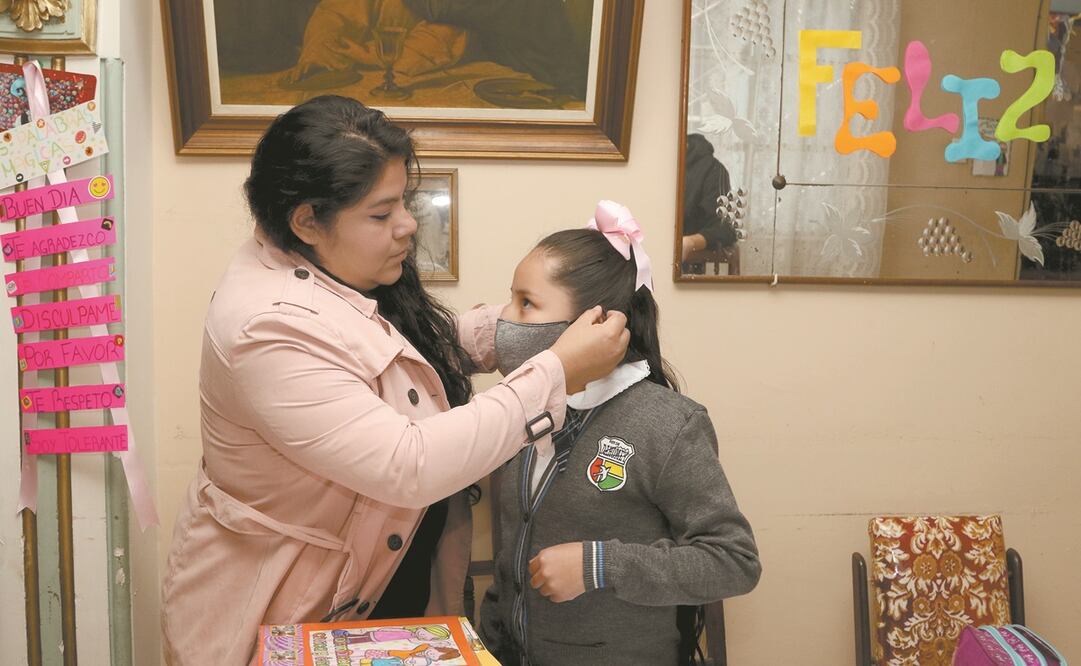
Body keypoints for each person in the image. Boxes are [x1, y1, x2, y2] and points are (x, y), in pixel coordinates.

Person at [159, 95, 629, 665]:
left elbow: (396, 356)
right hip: (289, 616)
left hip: (375, 597)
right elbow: (410, 464)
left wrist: (513, 331)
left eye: (403, 201)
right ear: (306, 220)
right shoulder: (269, 327)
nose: (408, 225)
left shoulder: (331, 271)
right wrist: (556, 370)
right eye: (381, 215)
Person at [479, 201, 761, 665]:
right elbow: (513, 553)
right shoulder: (522, 408)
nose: (505, 319)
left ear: (594, 322)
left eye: (526, 303)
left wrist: (600, 566)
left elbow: (734, 561)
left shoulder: (668, 424)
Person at [682, 133, 739, 271]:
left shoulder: (712, 170)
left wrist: (690, 242)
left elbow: (724, 228)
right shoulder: (658, 164)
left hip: (687, 268)